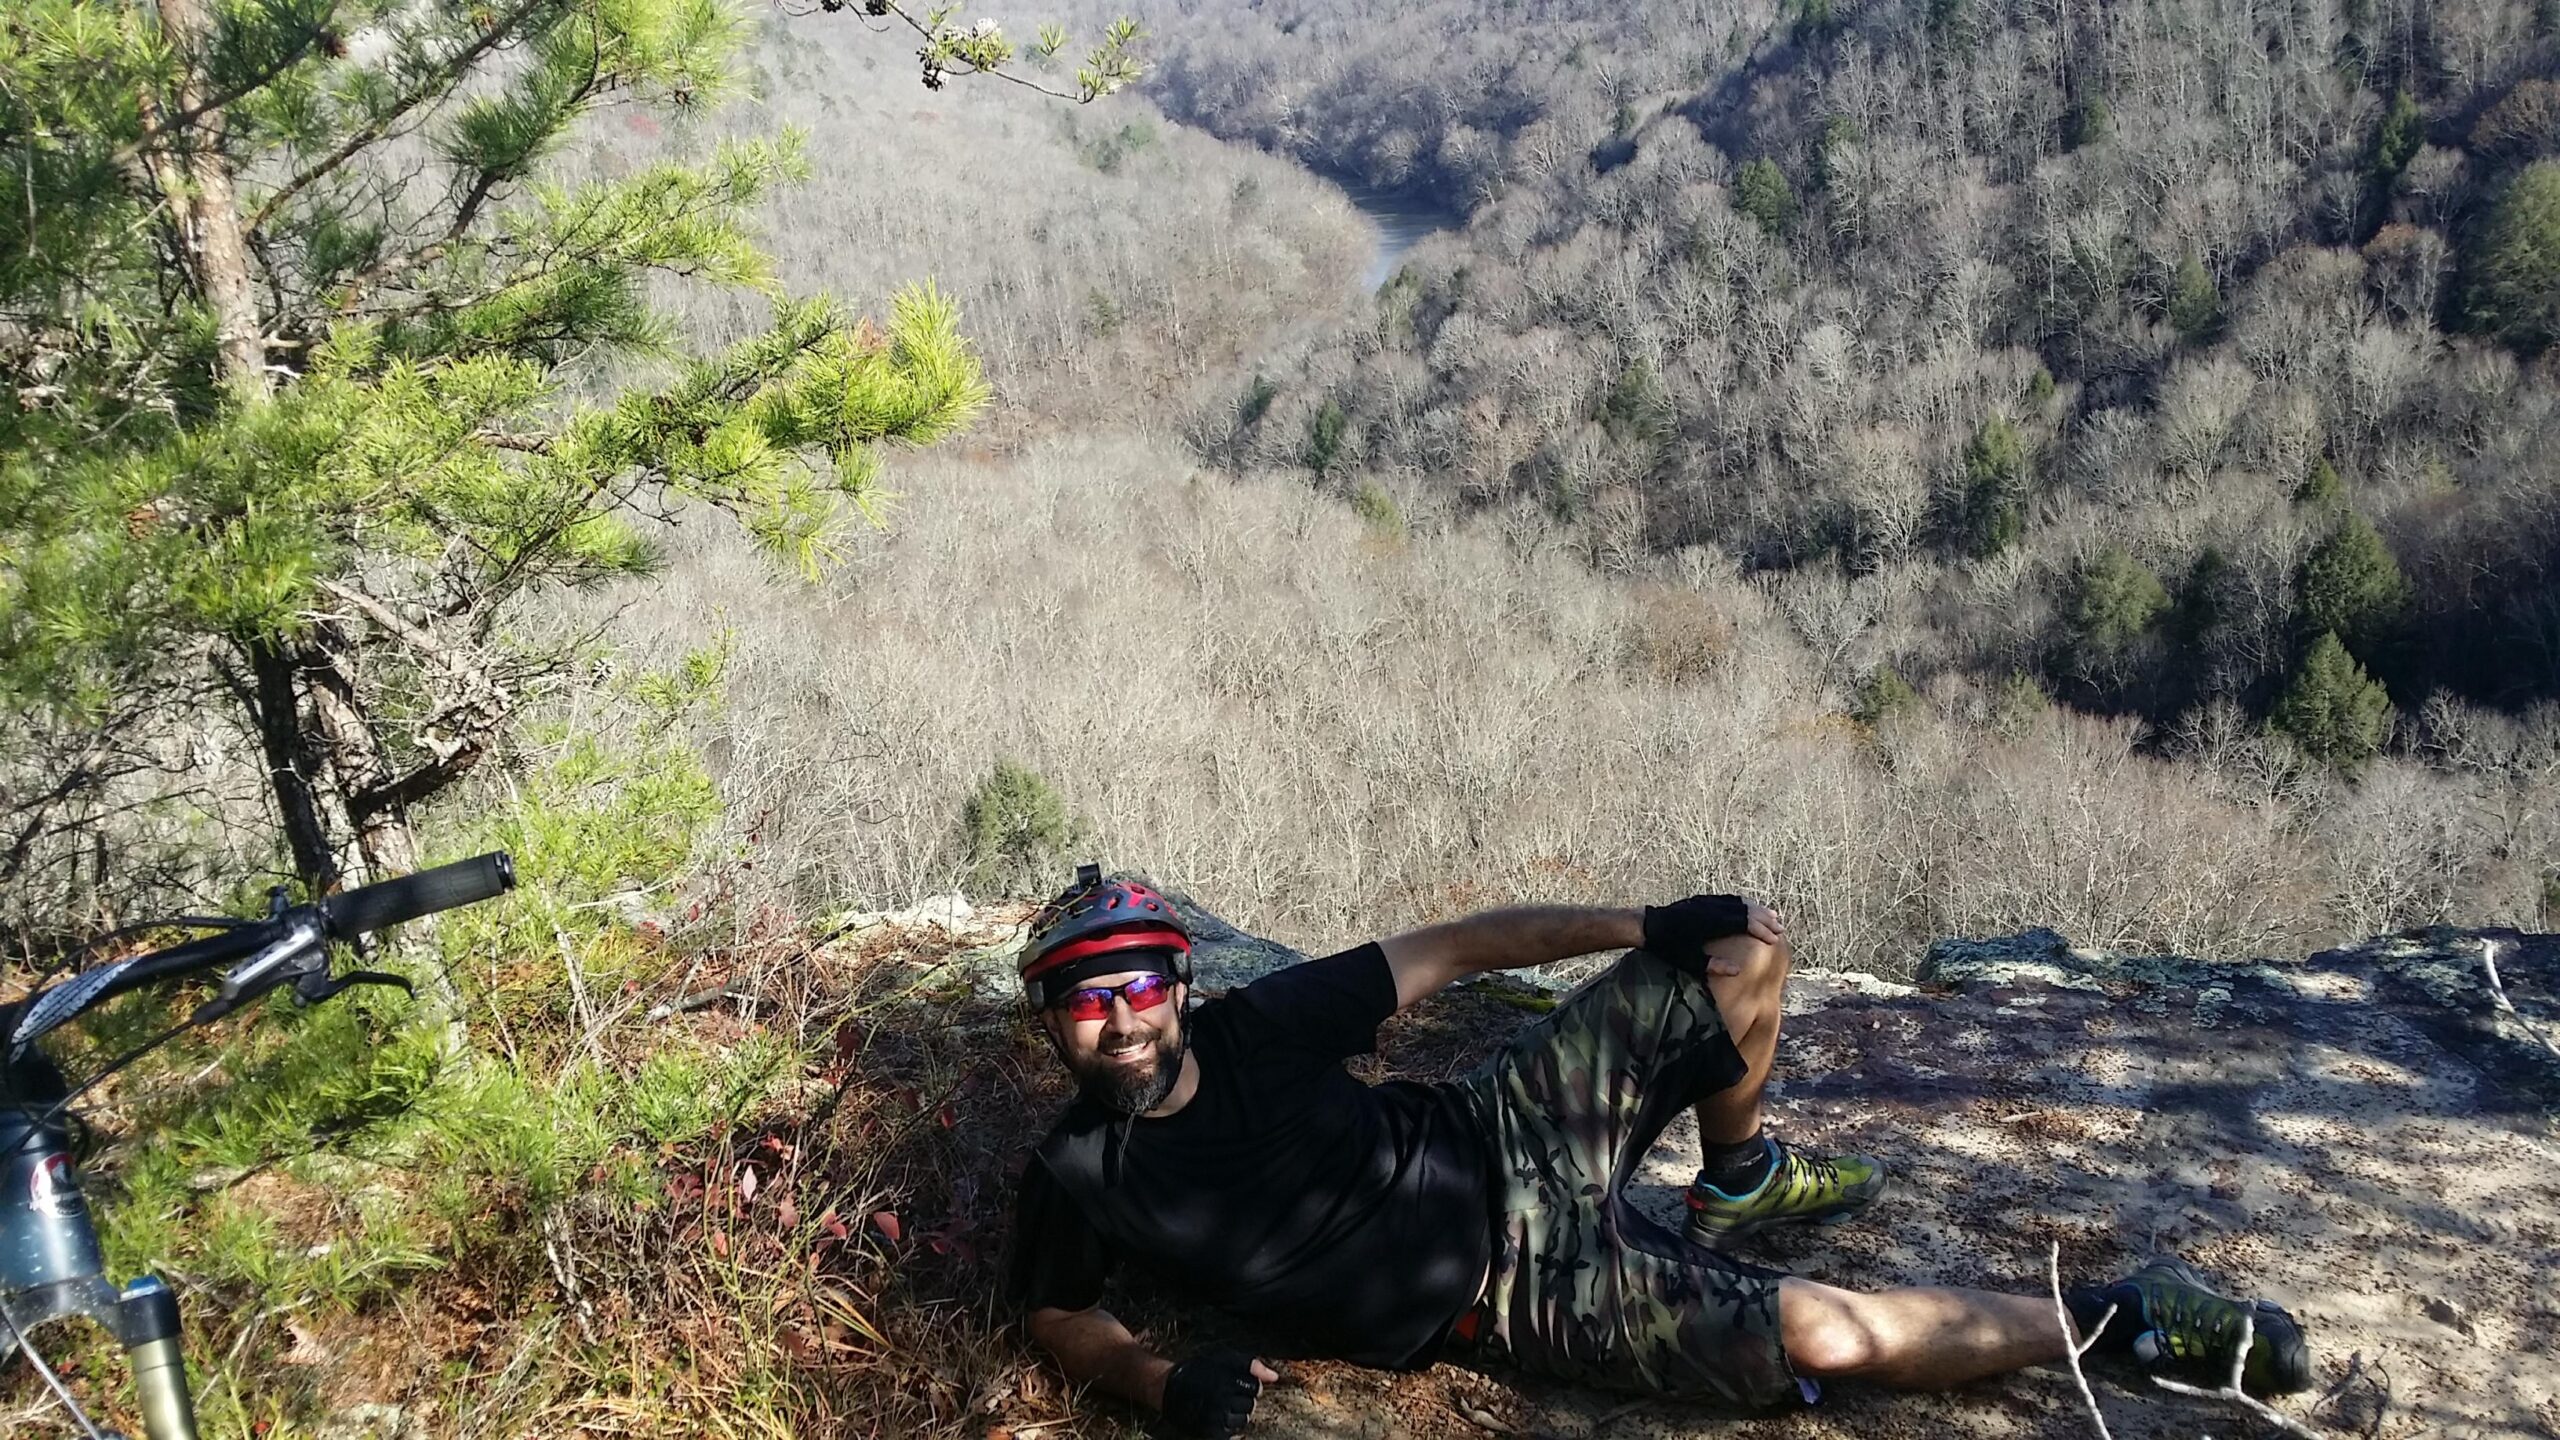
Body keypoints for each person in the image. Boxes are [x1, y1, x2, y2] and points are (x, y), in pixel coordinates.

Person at [1005, 865, 2313, 1437]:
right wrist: (1161, 1388)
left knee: (1742, 951)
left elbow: (1460, 947)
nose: (1121, 1018)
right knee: (1818, 1338)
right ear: (1054, 1018)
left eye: (1139, 984)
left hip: (1497, 1128)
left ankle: (1734, 1179)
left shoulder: (1253, 1029)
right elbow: (1064, 1322)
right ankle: (2115, 1321)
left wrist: (1648, 920)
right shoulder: (1076, 1175)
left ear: (1178, 984)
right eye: (1087, 996)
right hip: (1499, 1296)